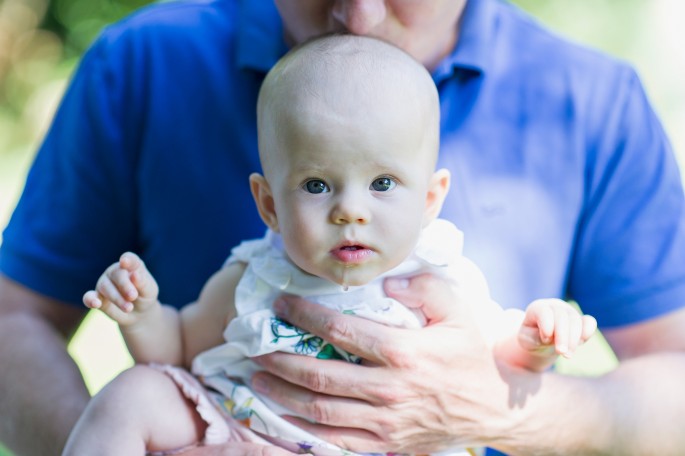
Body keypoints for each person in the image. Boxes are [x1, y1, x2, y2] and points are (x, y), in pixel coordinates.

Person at [1, 1, 684, 455]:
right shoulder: (142, 65)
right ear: (267, 203)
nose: (355, 15)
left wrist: (520, 383)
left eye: (384, 184)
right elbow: (41, 323)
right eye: (317, 186)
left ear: (430, 197)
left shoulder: (591, 101)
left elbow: (657, 373)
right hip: (240, 430)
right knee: (138, 396)